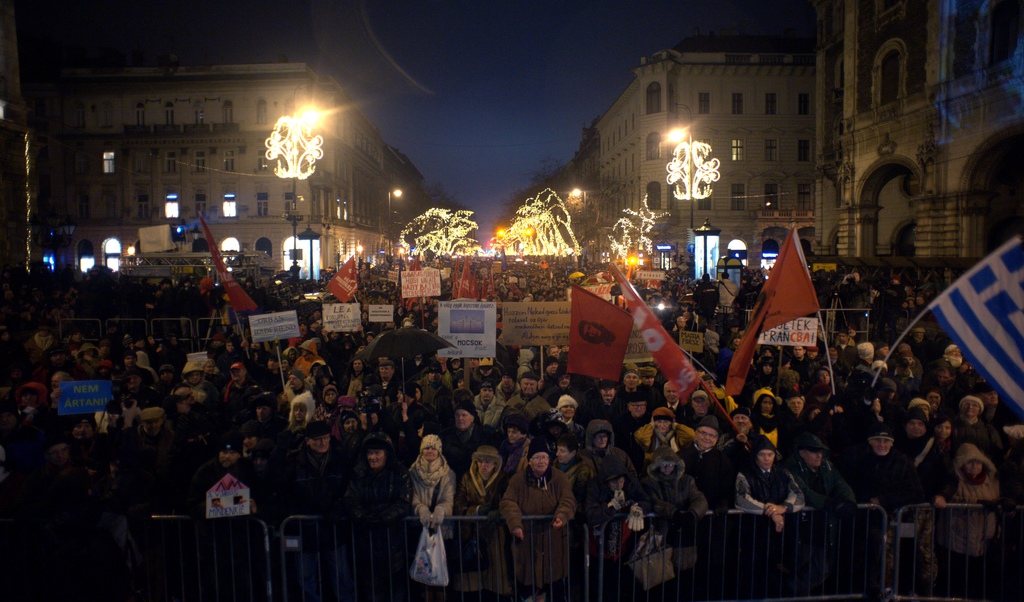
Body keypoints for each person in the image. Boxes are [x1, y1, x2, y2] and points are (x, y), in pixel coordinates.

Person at [280, 420, 354, 602]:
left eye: (326, 438)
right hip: (305, 530)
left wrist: (338, 507)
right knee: (306, 579)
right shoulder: (294, 462)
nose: (322, 443)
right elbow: (286, 493)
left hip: (333, 529)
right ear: (307, 441)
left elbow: (349, 489)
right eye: (317, 439)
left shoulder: (339, 459)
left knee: (341, 578)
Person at [500, 438, 577, 602]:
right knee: (529, 588)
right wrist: (515, 523)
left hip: (553, 543)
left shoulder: (559, 478)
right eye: (537, 458)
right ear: (529, 461)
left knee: (554, 587)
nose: (541, 461)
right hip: (528, 543)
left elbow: (568, 500)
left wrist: (561, 516)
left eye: (544, 457)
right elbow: (508, 502)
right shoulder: (518, 480)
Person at [342, 433, 412, 602]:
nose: (373, 457)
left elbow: (404, 501)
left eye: (377, 453)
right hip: (367, 542)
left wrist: (384, 517)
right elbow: (350, 500)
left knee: (396, 591)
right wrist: (363, 516)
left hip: (393, 542)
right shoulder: (358, 474)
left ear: (386, 454)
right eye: (370, 453)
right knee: (373, 590)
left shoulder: (399, 473)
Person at [783, 432, 857, 593]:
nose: (819, 455)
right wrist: (832, 504)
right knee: (802, 565)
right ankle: (788, 593)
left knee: (820, 568)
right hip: (801, 528)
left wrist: (849, 501)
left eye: (821, 452)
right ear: (802, 452)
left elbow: (840, 484)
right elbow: (803, 492)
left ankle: (791, 593)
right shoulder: (790, 467)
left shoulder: (827, 466)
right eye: (814, 451)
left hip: (822, 526)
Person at [641, 446, 708, 580]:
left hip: (684, 534)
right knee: (660, 573)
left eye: (671, 464)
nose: (667, 467)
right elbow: (654, 502)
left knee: (684, 572)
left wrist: (692, 514)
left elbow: (699, 498)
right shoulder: (649, 482)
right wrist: (674, 513)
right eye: (663, 464)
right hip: (661, 534)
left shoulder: (687, 481)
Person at [453, 445, 511, 596]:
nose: (483, 465)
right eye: (480, 461)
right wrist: (476, 510)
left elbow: (509, 501)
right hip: (471, 532)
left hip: (494, 534)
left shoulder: (503, 479)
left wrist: (499, 512)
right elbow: (458, 504)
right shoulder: (467, 478)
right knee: (472, 579)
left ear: (495, 464)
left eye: (488, 462)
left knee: (494, 577)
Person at [409, 434, 456, 602]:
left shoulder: (448, 473)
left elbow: (448, 499)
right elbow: (412, 497)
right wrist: (420, 509)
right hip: (420, 529)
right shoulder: (413, 472)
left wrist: (441, 510)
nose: (430, 451)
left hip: (441, 530)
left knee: (440, 574)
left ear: (439, 451)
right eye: (426, 447)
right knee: (423, 578)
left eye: (433, 448)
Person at [633, 407, 695, 471]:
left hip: (674, 470)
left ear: (671, 423)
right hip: (653, 470)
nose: (662, 425)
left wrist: (676, 425)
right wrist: (650, 425)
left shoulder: (677, 436)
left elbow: (691, 435)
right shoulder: (650, 435)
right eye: (659, 421)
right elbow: (641, 438)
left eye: (666, 422)